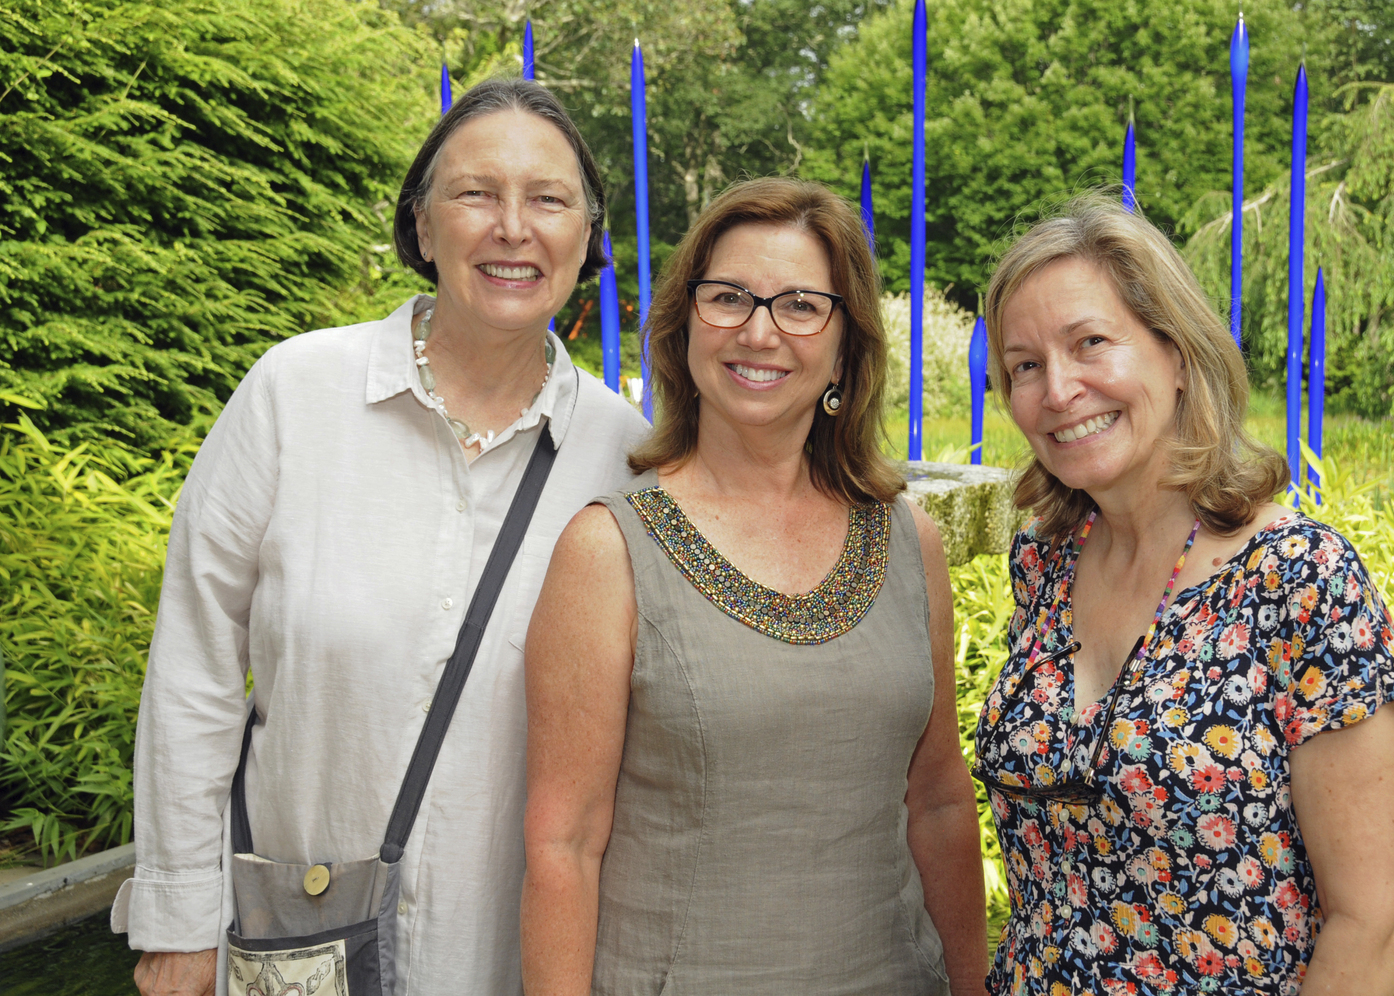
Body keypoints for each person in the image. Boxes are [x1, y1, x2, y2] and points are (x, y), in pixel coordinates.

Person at [114, 78, 648, 996]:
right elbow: (194, 673)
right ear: (421, 224)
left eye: (550, 199)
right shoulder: (293, 394)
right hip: (293, 957)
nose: (513, 228)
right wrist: (176, 926)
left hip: (511, 964)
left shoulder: (624, 458)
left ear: (588, 237)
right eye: (476, 193)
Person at [519, 177, 989, 995]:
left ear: (847, 343)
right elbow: (565, 844)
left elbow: (941, 800)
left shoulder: (908, 538)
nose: (759, 331)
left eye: (802, 305)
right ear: (683, 324)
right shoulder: (608, 550)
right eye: (728, 297)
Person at [970, 195, 1394, 996]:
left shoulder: (1300, 580)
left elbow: (1376, 918)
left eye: (1091, 343)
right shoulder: (1046, 565)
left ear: (1179, 355)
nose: (1058, 389)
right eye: (1024, 365)